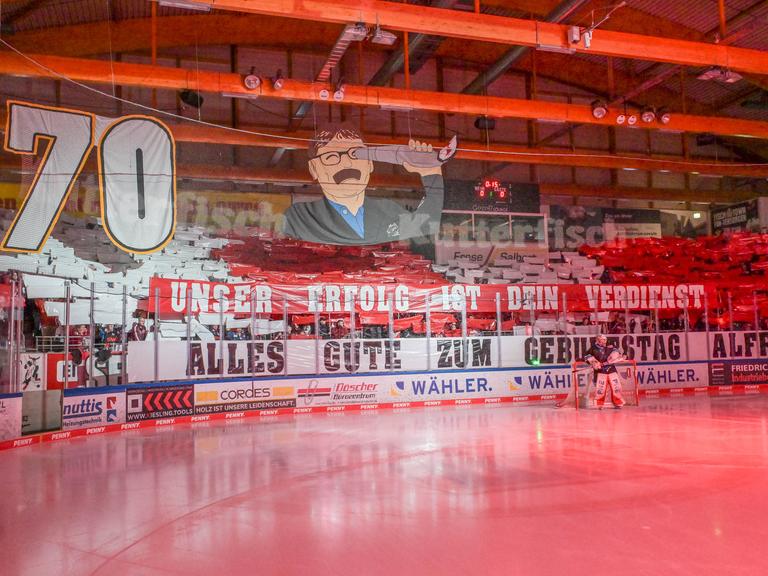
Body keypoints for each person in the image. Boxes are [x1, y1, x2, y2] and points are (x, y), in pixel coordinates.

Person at [282, 124, 445, 245]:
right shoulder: (299, 217)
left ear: (370, 164)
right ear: (314, 169)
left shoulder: (387, 210)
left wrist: (431, 173)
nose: (347, 164)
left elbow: (426, 225)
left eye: (357, 154)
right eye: (331, 157)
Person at [583, 334, 626, 408]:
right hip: (600, 371)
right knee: (601, 388)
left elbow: (618, 352)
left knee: (616, 386)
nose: (604, 341)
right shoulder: (593, 348)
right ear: (598, 340)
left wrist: (618, 355)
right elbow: (587, 356)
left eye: (605, 340)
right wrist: (594, 362)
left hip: (611, 369)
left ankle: (618, 402)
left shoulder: (610, 346)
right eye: (602, 340)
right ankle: (599, 403)